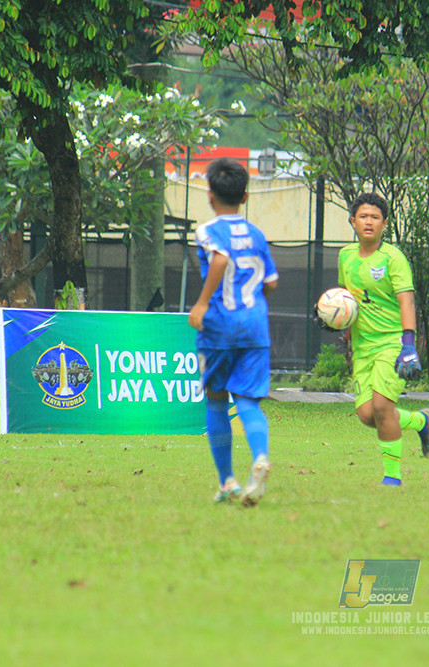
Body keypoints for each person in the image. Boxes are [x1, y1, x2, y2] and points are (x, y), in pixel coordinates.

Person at [316, 192, 429, 486]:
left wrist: (409, 344)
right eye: (363, 217)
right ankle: (420, 421)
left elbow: (407, 302)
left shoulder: (392, 258)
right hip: (363, 347)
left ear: (385, 224)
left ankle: (392, 479)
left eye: (375, 217)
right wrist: (331, 315)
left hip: (393, 343)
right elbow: (346, 298)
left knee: (383, 407)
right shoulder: (345, 256)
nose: (369, 222)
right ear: (353, 221)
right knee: (368, 415)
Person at [188, 158, 278, 506]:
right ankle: (260, 456)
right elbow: (270, 281)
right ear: (245, 196)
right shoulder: (256, 234)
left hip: (220, 328)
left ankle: (227, 481)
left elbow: (221, 260)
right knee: (248, 400)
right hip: (256, 327)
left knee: (216, 398)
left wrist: (201, 303)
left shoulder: (209, 231)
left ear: (210, 196)